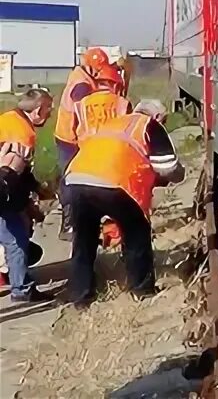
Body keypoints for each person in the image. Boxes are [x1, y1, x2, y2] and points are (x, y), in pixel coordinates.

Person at [64, 99, 185, 307]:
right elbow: (167, 168)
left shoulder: (114, 123)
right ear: (157, 117)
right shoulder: (149, 125)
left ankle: (81, 296)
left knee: (83, 240)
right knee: (136, 232)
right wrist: (179, 175)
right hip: (115, 183)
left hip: (75, 180)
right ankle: (142, 290)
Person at [0, 89, 55, 303]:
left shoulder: (7, 119)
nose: (50, 115)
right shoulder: (23, 134)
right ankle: (22, 289)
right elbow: (12, 176)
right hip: (4, 192)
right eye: (49, 109)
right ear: (39, 109)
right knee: (17, 241)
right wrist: (25, 207)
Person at [55, 47, 110, 240]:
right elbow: (85, 109)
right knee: (71, 180)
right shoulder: (81, 84)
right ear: (89, 65)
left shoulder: (84, 76)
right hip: (70, 138)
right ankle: (69, 225)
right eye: (97, 68)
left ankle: (77, 219)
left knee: (75, 179)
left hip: (71, 135)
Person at [72, 65, 131, 141]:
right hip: (111, 146)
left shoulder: (84, 102)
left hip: (87, 147)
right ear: (115, 85)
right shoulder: (123, 103)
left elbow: (79, 128)